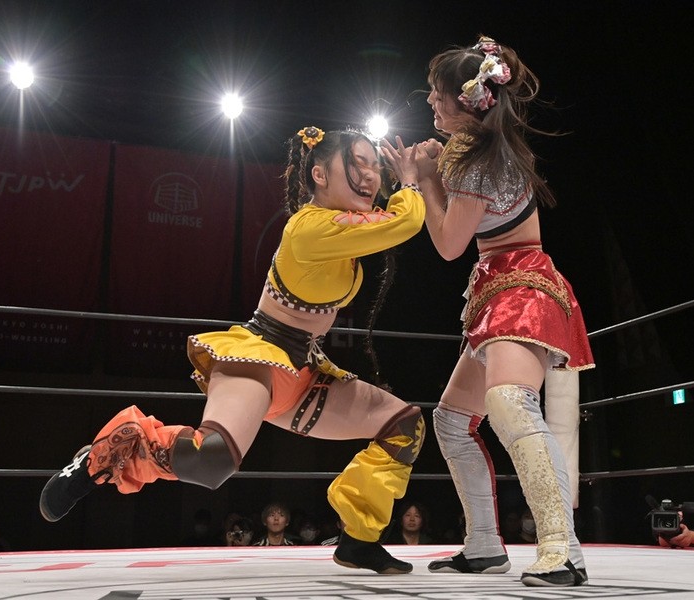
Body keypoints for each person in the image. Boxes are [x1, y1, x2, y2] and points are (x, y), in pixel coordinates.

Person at [39, 126, 427, 574]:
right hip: (260, 359)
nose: (371, 174)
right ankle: (119, 446)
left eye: (375, 165)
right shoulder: (312, 228)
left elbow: (396, 217)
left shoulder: (345, 226)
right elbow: (404, 221)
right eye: (358, 163)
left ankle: (359, 539)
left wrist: (428, 175)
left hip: (304, 371)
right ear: (319, 174)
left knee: (404, 426)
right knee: (212, 460)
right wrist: (412, 181)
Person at [396, 35, 595, 587]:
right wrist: (430, 171)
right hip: (499, 289)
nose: (430, 102)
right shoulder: (477, 148)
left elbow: (447, 244)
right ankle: (484, 544)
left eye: (436, 94)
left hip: (520, 290)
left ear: (465, 101)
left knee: (508, 403)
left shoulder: (476, 160)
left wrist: (420, 180)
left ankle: (563, 549)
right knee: (452, 421)